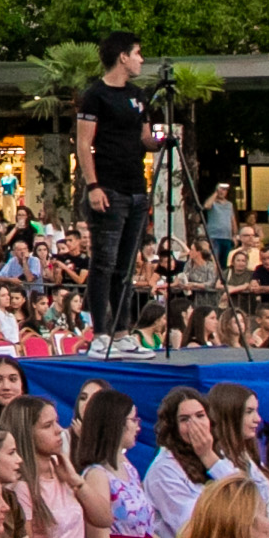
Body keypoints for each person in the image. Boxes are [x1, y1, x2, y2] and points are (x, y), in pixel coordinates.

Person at [77, 33, 158, 337]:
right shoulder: (95, 95)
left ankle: (122, 332)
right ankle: (100, 333)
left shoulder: (138, 94)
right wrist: (93, 185)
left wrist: (163, 140)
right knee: (104, 263)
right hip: (108, 187)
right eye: (137, 53)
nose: (141, 59)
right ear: (122, 56)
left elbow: (145, 138)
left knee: (124, 267)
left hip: (136, 187)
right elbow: (84, 143)